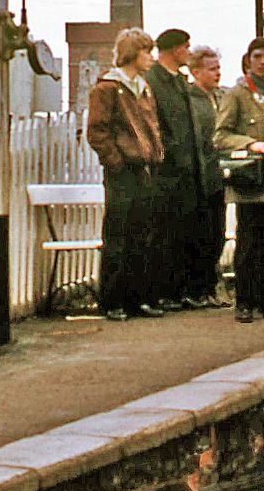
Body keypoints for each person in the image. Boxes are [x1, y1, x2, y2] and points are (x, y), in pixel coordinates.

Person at [214, 37, 264, 323]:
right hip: (250, 182)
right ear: (248, 60)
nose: (263, 61)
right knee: (249, 243)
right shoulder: (237, 95)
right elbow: (221, 135)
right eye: (257, 56)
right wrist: (252, 144)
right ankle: (245, 302)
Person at [88, 29, 166, 321]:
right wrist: (116, 163)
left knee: (142, 234)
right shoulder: (108, 88)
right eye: (146, 51)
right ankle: (113, 300)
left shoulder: (143, 87)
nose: (151, 57)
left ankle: (139, 298)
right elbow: (97, 131)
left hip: (144, 169)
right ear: (132, 53)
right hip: (123, 172)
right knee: (119, 235)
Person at [146, 29, 208, 310]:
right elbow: (156, 123)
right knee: (166, 233)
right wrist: (168, 154)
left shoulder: (180, 82)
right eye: (186, 47)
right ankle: (164, 291)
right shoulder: (153, 81)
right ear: (174, 50)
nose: (189, 52)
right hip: (168, 171)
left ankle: (182, 290)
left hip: (188, 169)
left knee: (186, 232)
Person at [185, 46, 228, 306]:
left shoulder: (220, 98)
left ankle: (210, 287)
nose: (217, 74)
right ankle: (197, 289)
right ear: (196, 71)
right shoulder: (191, 99)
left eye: (218, 69)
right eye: (212, 69)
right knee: (200, 235)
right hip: (199, 177)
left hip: (219, 175)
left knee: (217, 234)